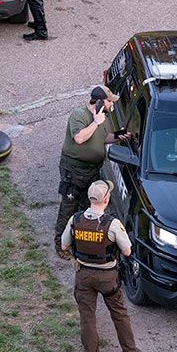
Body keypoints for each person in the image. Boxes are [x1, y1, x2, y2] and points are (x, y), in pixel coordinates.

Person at [60, 179, 143, 352]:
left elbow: (64, 245)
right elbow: (127, 252)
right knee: (119, 314)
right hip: (108, 277)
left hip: (83, 275)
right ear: (106, 200)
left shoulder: (76, 220)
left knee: (87, 318)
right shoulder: (112, 224)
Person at [54, 85, 125, 258]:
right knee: (69, 205)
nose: (111, 105)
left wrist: (118, 136)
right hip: (74, 169)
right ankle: (61, 245)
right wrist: (96, 122)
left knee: (88, 206)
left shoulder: (101, 118)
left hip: (92, 170)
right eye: (109, 102)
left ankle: (81, 241)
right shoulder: (80, 115)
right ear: (100, 102)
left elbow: (101, 137)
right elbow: (79, 138)